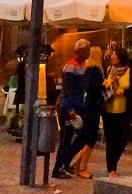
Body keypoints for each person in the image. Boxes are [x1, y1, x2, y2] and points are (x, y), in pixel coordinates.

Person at [52, 38, 92, 181]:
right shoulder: (71, 66)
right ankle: (58, 168)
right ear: (80, 51)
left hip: (79, 105)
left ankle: (65, 162)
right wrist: (69, 108)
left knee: (83, 137)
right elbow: (67, 89)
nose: (89, 52)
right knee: (66, 139)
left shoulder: (82, 65)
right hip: (71, 107)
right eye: (87, 49)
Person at [69, 42, 105, 180]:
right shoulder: (95, 71)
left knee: (88, 137)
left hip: (88, 106)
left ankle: (76, 164)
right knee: (90, 138)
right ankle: (82, 167)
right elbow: (93, 89)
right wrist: (103, 86)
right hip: (92, 107)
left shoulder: (86, 69)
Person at [102, 47, 132, 177]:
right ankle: (112, 168)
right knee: (111, 140)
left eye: (114, 55)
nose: (112, 57)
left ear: (120, 57)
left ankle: (114, 160)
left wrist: (124, 92)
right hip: (109, 109)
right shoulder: (109, 70)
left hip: (123, 110)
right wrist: (105, 84)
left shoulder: (129, 72)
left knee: (123, 138)